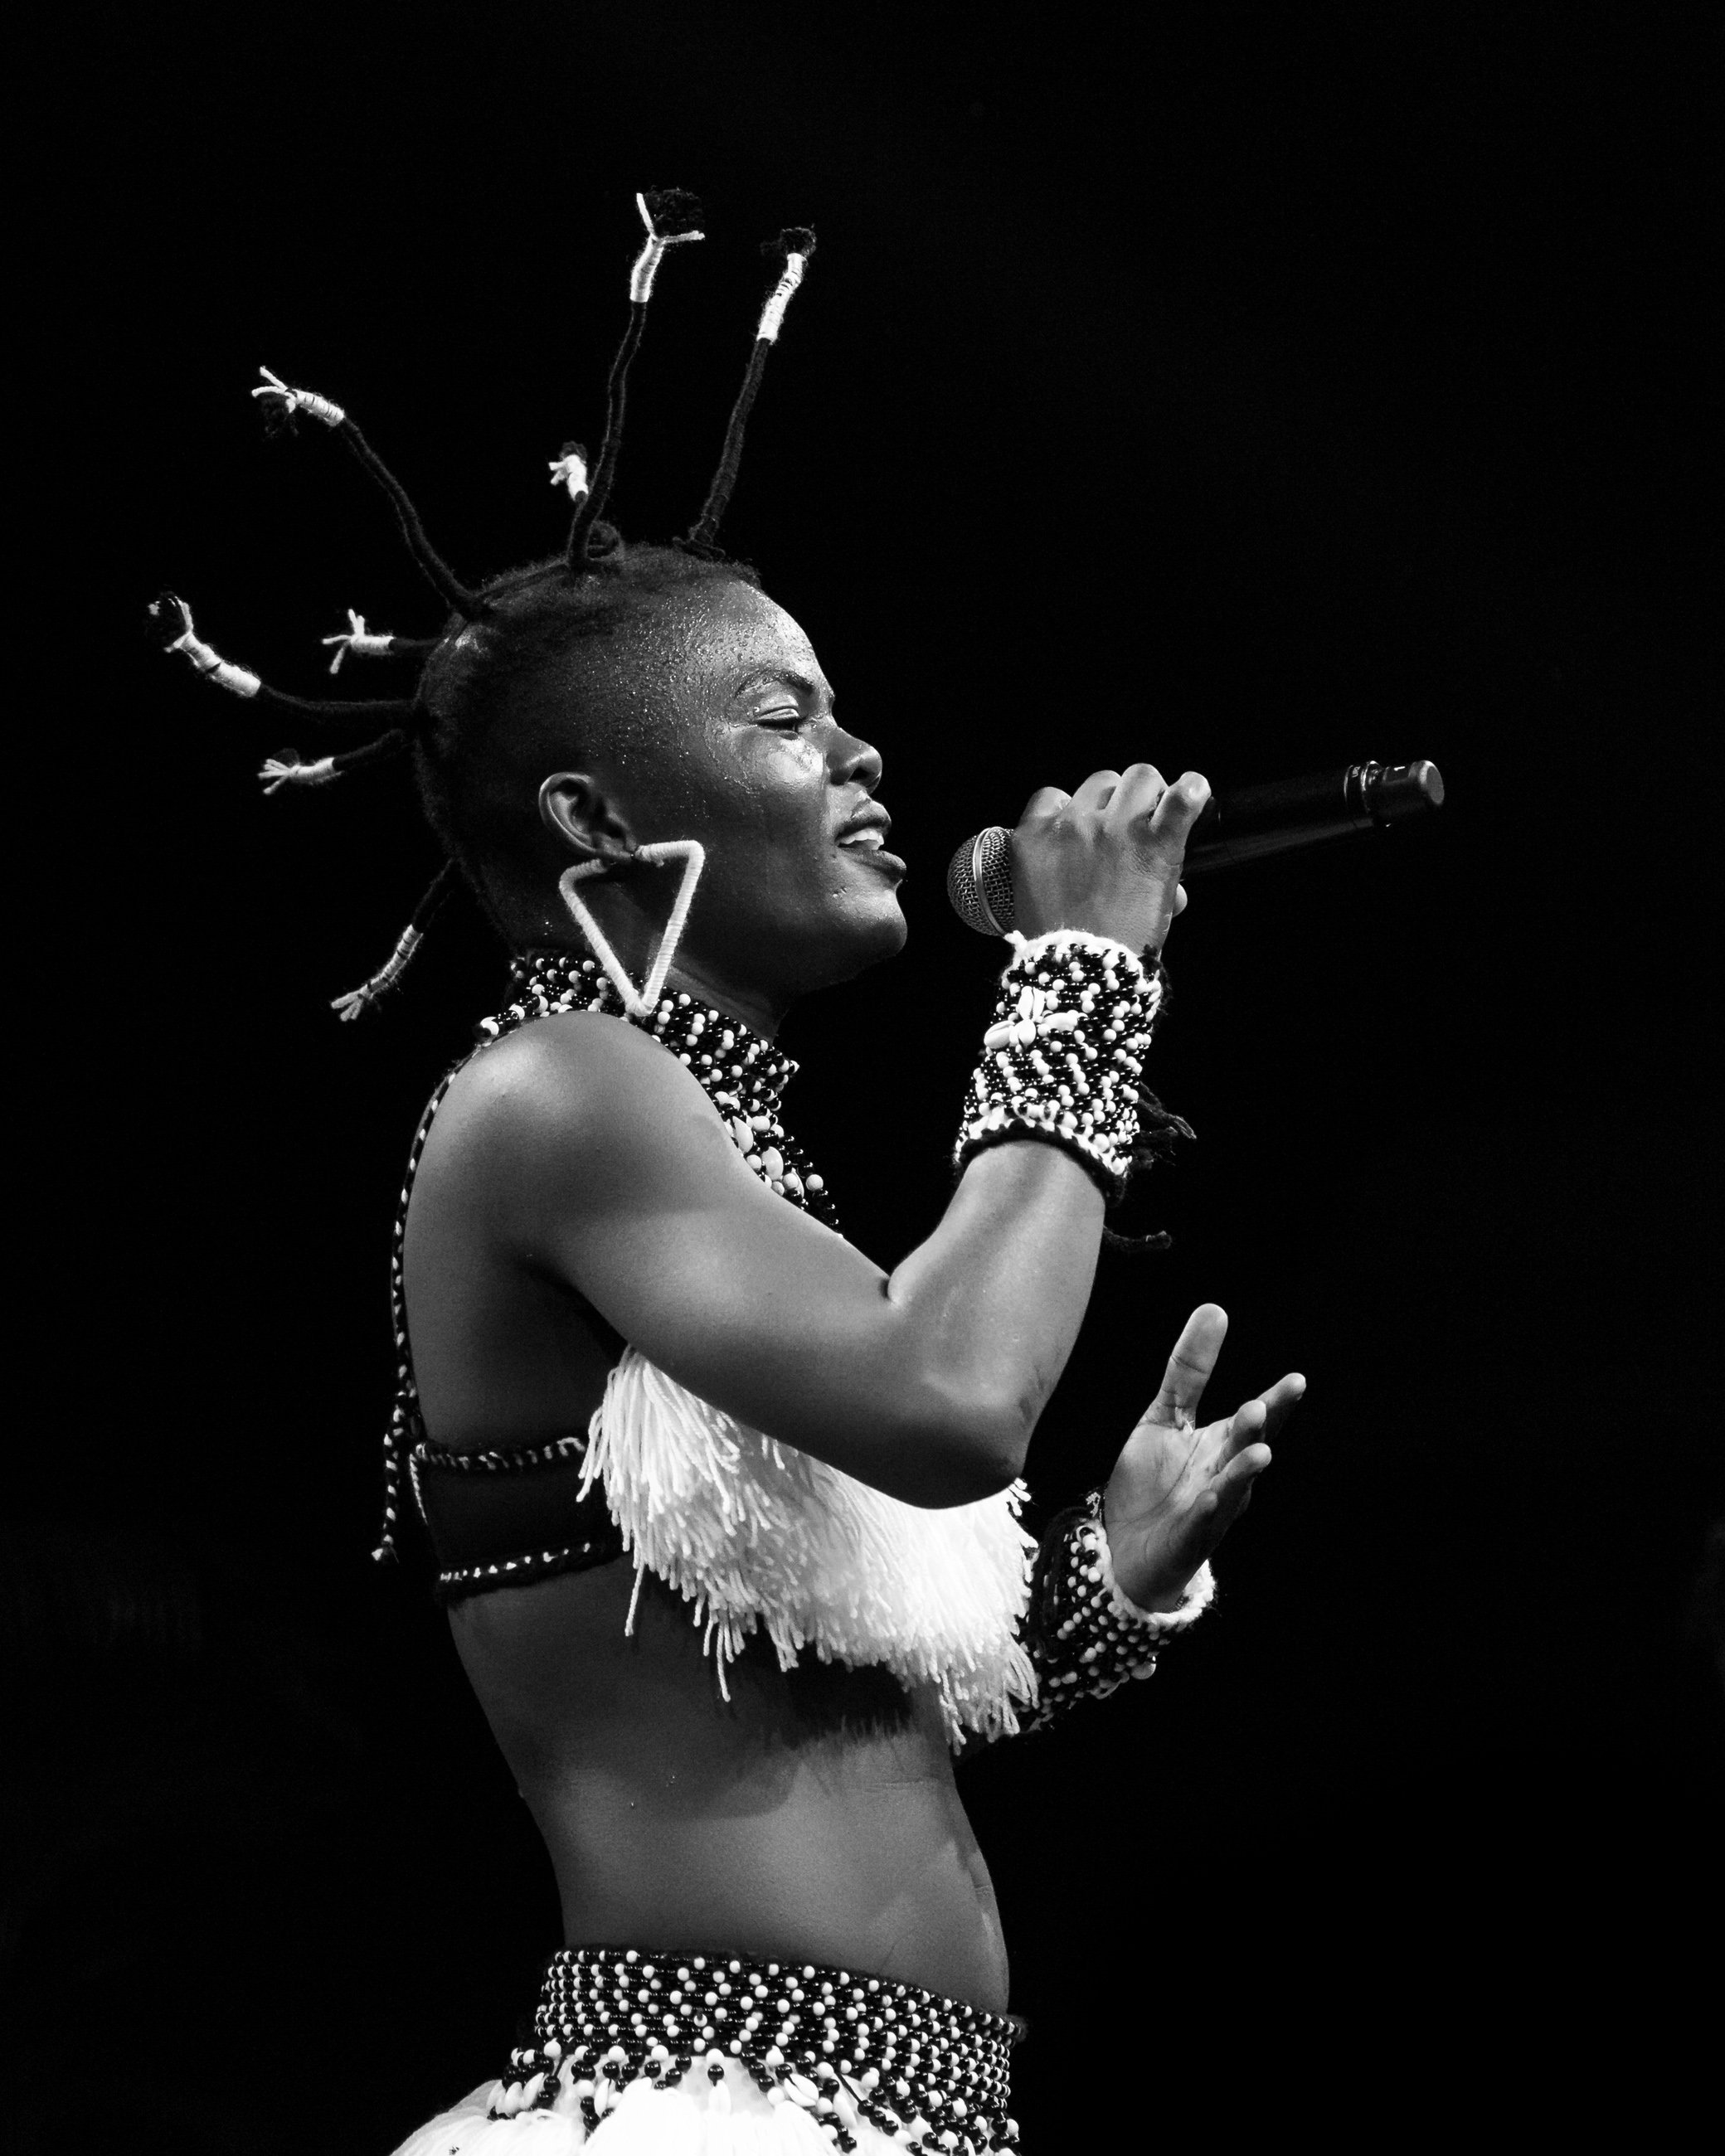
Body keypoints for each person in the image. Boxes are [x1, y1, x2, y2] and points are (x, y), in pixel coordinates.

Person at [152, 194, 1304, 2156]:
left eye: (843, 709)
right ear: (599, 816)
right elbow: (951, 1401)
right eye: (782, 716)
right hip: (704, 2107)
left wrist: (1100, 1583)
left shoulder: (723, 1182)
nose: (861, 757)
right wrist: (1085, 975)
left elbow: (839, 1690)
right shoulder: (558, 1096)